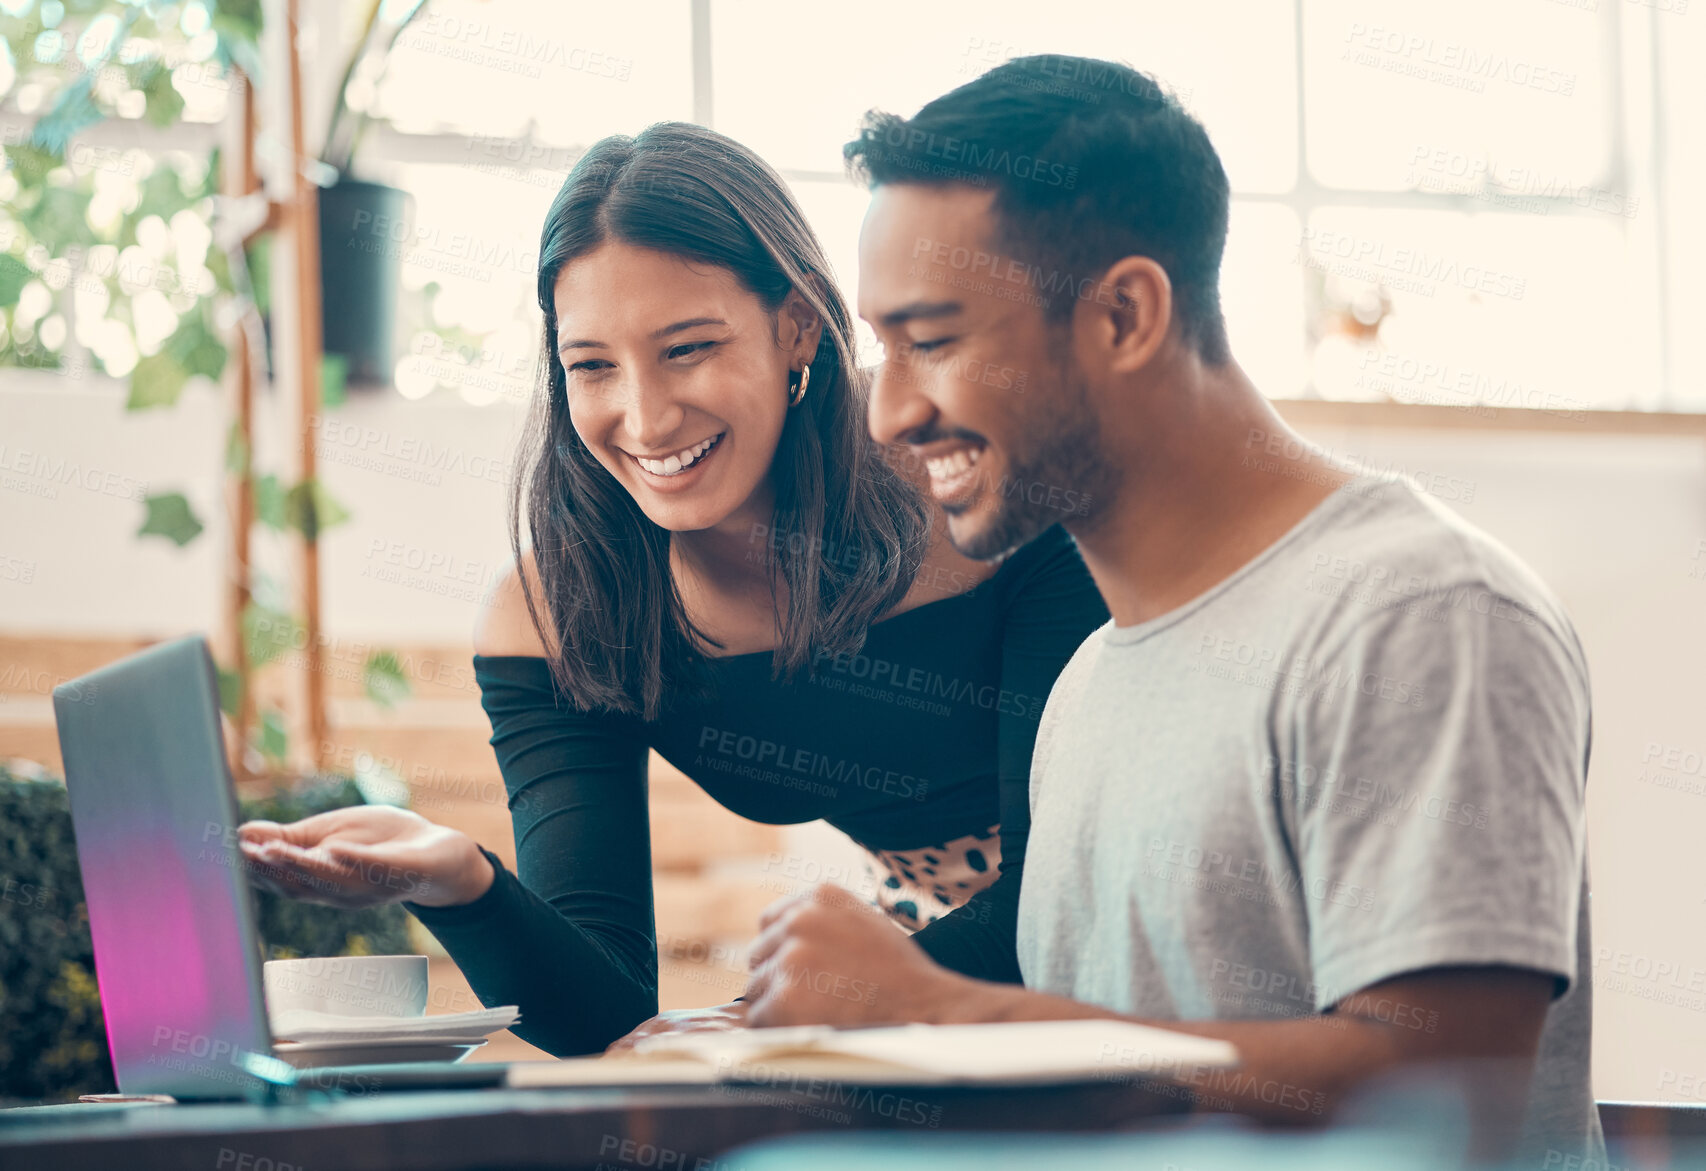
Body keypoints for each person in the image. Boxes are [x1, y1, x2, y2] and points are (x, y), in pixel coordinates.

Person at [739, 56, 1599, 1166]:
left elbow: (1439, 1097)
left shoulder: (1420, 612)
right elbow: (1106, 1097)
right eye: (882, 349)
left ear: (1125, 313)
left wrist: (940, 1010)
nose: (891, 413)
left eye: (934, 340)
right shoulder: (1087, 686)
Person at [237, 122, 1108, 1057]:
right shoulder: (559, 612)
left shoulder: (972, 489)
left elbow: (1067, 882)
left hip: (1123, 930)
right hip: (931, 973)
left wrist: (832, 994)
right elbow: (606, 1015)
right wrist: (458, 879)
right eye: (593, 365)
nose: (645, 418)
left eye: (688, 348)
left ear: (798, 324)